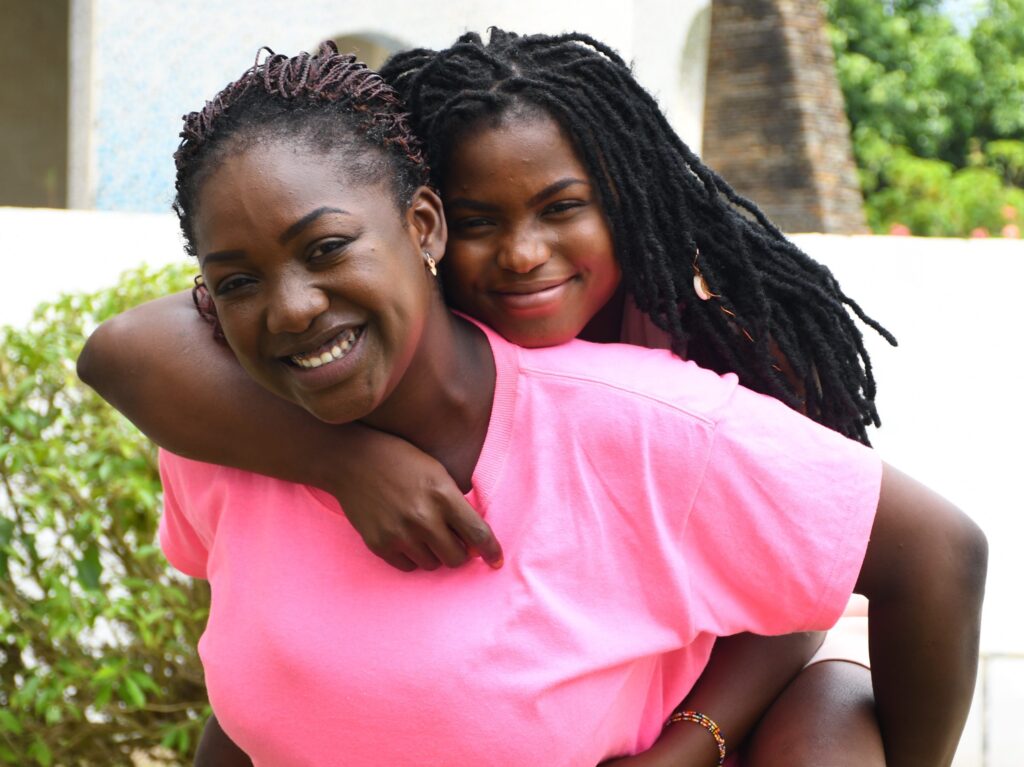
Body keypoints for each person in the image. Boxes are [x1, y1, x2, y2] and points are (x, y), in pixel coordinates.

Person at [75, 41, 982, 767]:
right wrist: (341, 458)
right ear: (438, 224)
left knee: (832, 710)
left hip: (724, 693)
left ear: (411, 224)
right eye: (483, 220)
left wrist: (691, 742)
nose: (521, 256)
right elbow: (124, 351)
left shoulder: (672, 396)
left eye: (327, 249)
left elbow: (873, 566)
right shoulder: (242, 419)